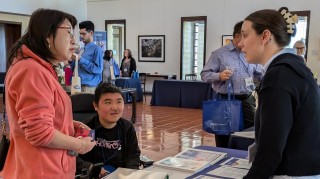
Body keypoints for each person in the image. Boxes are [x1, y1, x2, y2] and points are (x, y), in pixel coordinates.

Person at [2, 8, 96, 179]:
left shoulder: (38, 68)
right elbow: (40, 132)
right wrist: (79, 145)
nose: (74, 41)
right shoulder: (31, 70)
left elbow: (40, 118)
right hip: (43, 170)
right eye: (69, 33)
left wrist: (68, 123)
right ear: (47, 36)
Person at [239, 7, 320, 179]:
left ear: (265, 36)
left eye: (245, 35)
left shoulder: (279, 76)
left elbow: (271, 149)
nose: (240, 43)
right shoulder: (293, 68)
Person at [201, 21, 263, 148]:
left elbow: (259, 73)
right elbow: (204, 75)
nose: (248, 40)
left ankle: (245, 161)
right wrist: (219, 76)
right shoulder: (219, 54)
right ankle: (223, 161)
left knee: (250, 134)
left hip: (247, 100)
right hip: (225, 101)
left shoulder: (251, 52)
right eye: (245, 36)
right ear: (236, 36)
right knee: (224, 136)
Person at [77, 83, 141, 177]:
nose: (115, 108)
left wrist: (129, 175)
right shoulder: (86, 127)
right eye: (108, 102)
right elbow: (74, 157)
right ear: (95, 105)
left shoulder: (127, 127)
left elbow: (133, 155)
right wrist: (92, 168)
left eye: (119, 101)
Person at [70, 20, 103, 93]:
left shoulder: (97, 49)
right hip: (78, 84)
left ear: (91, 33)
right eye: (80, 34)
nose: (81, 36)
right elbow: (77, 67)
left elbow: (98, 69)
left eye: (83, 34)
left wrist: (80, 60)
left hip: (89, 87)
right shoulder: (81, 49)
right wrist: (71, 60)